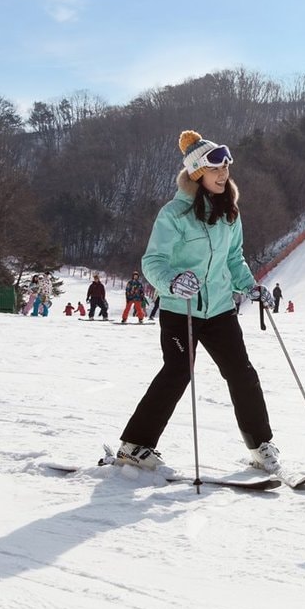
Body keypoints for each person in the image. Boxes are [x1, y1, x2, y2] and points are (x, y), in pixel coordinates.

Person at [115, 130, 283, 474]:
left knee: (242, 373)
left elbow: (234, 259)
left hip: (220, 308)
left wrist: (250, 287)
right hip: (182, 309)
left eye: (225, 169)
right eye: (214, 169)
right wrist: (173, 282)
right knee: (177, 373)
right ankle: (134, 445)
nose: (223, 175)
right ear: (196, 173)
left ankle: (260, 445)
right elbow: (153, 261)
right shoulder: (174, 214)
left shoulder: (230, 213)